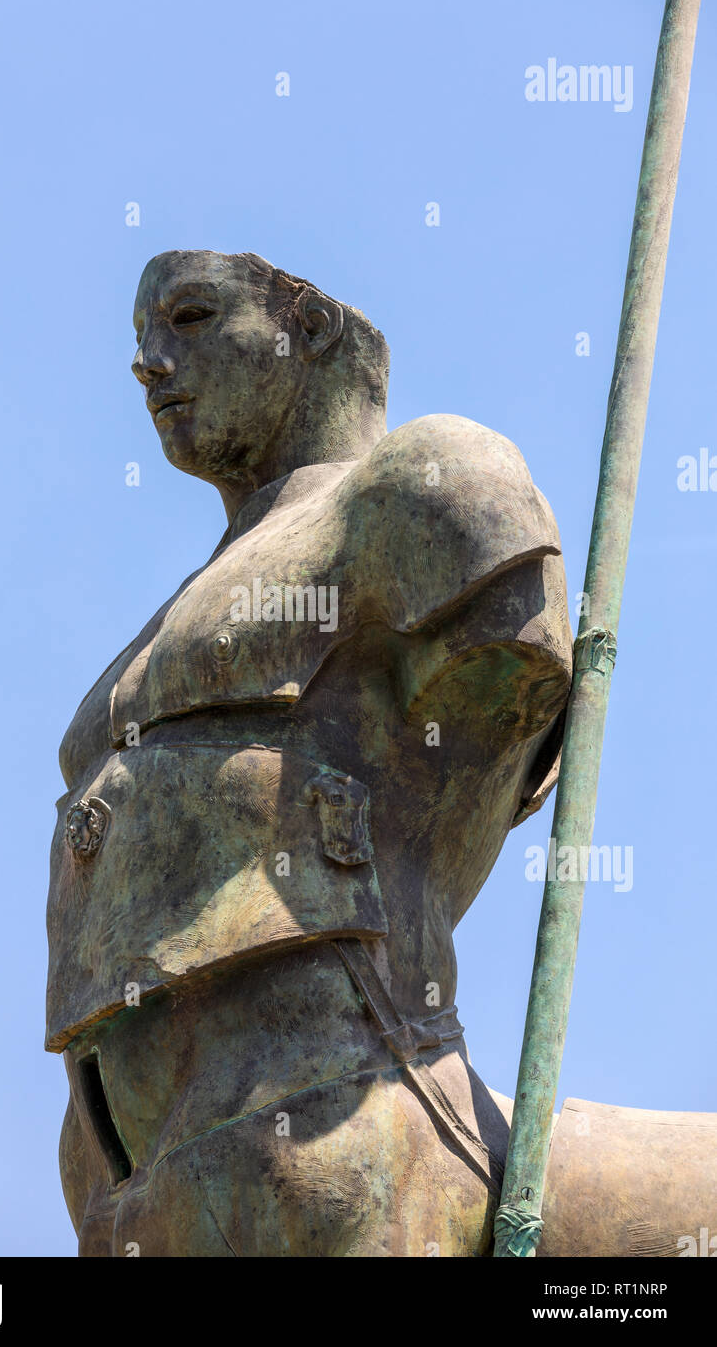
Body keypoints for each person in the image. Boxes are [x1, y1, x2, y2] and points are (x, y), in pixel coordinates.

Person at [46, 250, 713, 1257]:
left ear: (305, 329)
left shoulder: (417, 483)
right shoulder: (176, 611)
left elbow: (495, 721)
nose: (147, 361)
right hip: (124, 1178)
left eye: (188, 317)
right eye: (140, 335)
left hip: (327, 1115)